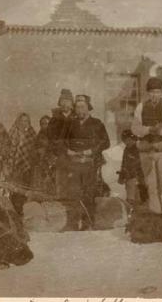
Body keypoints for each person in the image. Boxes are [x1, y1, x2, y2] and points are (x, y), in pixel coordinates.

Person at [131, 77, 162, 214]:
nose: (154, 95)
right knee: (151, 186)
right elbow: (135, 128)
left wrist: (161, 131)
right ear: (147, 93)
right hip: (147, 151)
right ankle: (155, 217)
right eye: (151, 92)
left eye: (157, 92)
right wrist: (148, 130)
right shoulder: (141, 107)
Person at [64, 95, 110, 230]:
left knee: (89, 193)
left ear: (88, 107)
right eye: (77, 107)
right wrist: (68, 151)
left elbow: (105, 142)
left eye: (82, 106)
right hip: (73, 163)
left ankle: (88, 222)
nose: (80, 109)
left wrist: (91, 150)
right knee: (73, 193)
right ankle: (73, 223)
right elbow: (62, 142)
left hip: (90, 163)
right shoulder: (70, 124)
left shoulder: (97, 123)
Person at [47, 89, 77, 199]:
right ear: (59, 103)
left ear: (72, 103)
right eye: (62, 101)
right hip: (61, 155)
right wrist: (62, 149)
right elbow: (51, 138)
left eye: (68, 101)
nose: (65, 104)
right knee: (61, 182)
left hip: (76, 155)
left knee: (75, 183)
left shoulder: (77, 118)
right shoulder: (54, 120)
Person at [7, 113, 38, 213]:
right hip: (15, 165)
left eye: (26, 121)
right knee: (15, 189)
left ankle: (24, 211)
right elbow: (8, 147)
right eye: (22, 121)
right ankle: (15, 211)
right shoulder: (13, 132)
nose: (24, 123)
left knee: (25, 188)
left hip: (28, 166)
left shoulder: (32, 133)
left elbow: (35, 149)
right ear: (18, 121)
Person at [117, 129, 144, 206]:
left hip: (138, 176)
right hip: (129, 176)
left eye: (129, 140)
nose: (126, 142)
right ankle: (131, 203)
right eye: (124, 140)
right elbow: (124, 163)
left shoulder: (139, 149)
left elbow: (140, 163)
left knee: (137, 191)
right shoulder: (127, 149)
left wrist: (135, 173)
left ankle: (138, 203)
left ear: (134, 139)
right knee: (130, 190)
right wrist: (121, 175)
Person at [34, 115, 53, 194]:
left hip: (52, 164)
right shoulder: (38, 136)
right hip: (41, 164)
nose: (45, 125)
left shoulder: (55, 136)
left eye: (47, 123)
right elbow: (35, 150)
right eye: (42, 123)